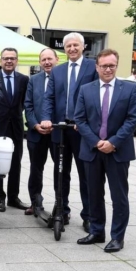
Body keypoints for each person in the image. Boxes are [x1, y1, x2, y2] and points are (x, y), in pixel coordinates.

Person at [74, 49, 136, 253]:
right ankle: (97, 230)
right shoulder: (86, 89)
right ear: (97, 67)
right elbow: (80, 119)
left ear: (116, 65)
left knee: (119, 196)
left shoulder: (128, 89)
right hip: (92, 150)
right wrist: (96, 142)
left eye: (111, 65)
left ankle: (117, 237)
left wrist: (113, 142)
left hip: (118, 151)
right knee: (93, 193)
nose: (108, 69)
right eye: (104, 66)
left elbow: (132, 119)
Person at [41, 32, 99, 233]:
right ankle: (62, 210)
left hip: (83, 131)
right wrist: (47, 118)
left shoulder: (93, 67)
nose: (72, 49)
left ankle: (89, 215)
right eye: (68, 46)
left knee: (86, 175)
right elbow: (49, 98)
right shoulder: (58, 71)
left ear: (83, 47)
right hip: (61, 130)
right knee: (60, 174)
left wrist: (87, 122)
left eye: (76, 45)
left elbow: (97, 98)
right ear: (63, 49)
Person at [24, 48, 59, 216]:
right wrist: (35, 125)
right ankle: (35, 202)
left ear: (57, 59)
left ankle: (61, 206)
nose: (47, 62)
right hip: (36, 133)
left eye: (50, 59)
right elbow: (28, 105)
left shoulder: (62, 78)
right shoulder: (34, 80)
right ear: (39, 62)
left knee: (60, 170)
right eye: (43, 59)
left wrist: (56, 124)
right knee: (35, 169)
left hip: (57, 133)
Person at [0, 47, 30, 212]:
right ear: (0, 60)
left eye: (12, 58)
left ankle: (13, 197)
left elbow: (25, 102)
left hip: (16, 127)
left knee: (16, 162)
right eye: (6, 58)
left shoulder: (24, 79)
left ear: (17, 61)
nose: (9, 61)